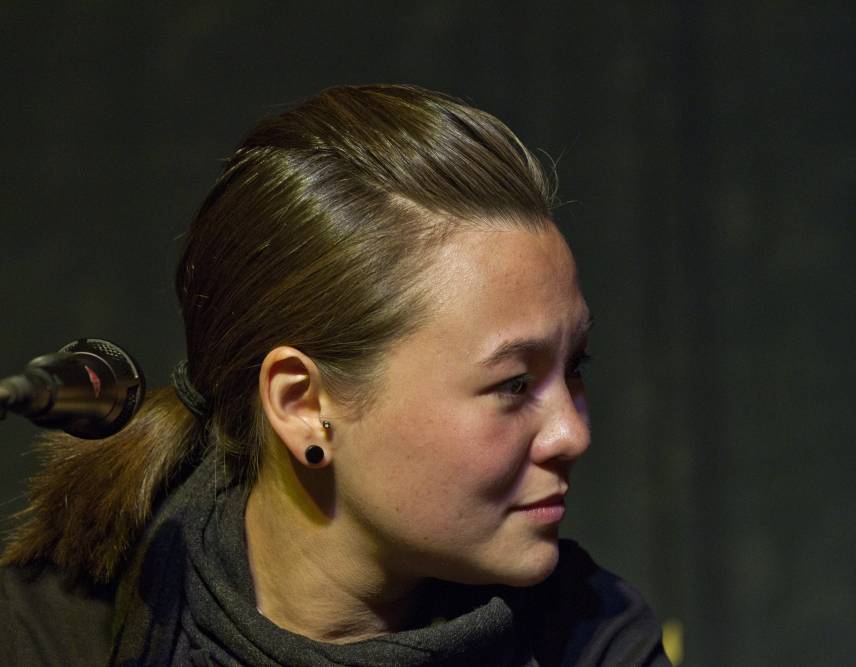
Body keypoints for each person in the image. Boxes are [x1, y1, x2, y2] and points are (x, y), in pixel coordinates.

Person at [0, 84, 670, 666]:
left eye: (574, 368)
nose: (572, 433)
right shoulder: (48, 637)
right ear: (303, 404)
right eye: (515, 385)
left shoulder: (593, 636)